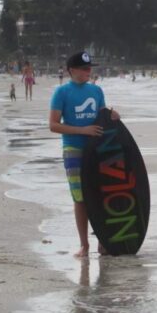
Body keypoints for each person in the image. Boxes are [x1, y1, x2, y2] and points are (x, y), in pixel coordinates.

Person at [48, 51, 120, 258]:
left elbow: (102, 116)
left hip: (98, 149)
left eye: (90, 69)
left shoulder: (96, 91)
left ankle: (103, 241)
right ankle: (84, 245)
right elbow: (53, 125)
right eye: (84, 69)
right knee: (80, 198)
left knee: (100, 194)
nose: (88, 72)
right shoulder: (61, 93)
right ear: (72, 70)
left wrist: (113, 115)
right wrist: (83, 130)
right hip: (74, 150)